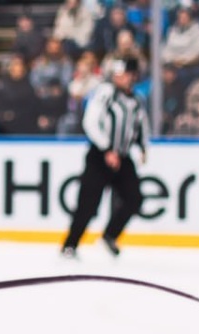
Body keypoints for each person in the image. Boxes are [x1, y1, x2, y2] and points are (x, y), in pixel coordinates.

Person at [61, 56, 151, 259]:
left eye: (124, 74)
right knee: (88, 203)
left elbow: (141, 125)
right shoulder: (105, 92)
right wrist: (106, 148)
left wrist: (144, 147)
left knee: (134, 198)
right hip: (100, 156)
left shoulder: (137, 100)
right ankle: (70, 245)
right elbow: (91, 122)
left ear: (133, 76)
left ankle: (110, 235)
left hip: (122, 157)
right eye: (118, 74)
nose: (119, 77)